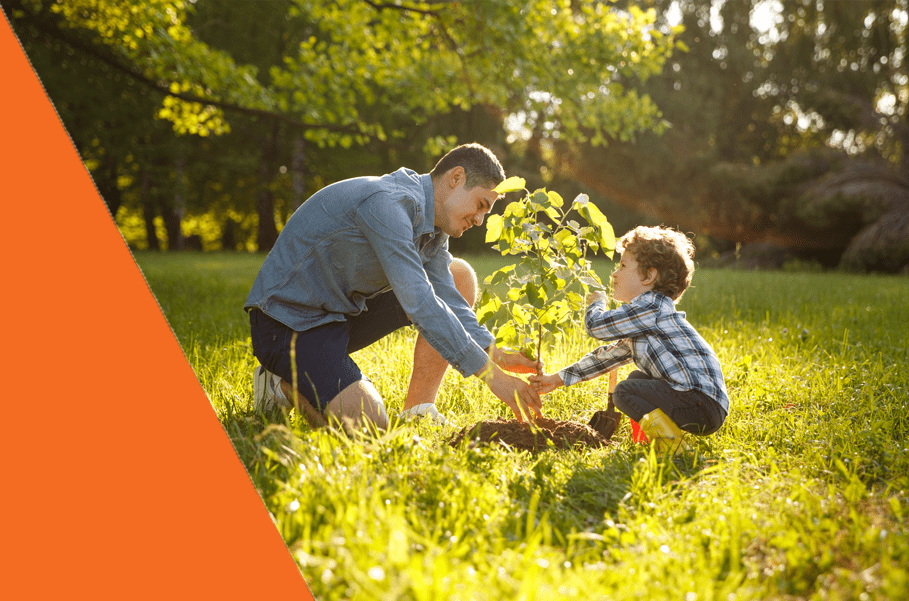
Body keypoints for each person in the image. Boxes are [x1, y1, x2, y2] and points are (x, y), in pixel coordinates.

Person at [245, 143, 542, 431]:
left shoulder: (434, 228)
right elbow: (421, 303)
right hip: (287, 325)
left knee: (458, 275)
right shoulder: (388, 204)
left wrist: (493, 352)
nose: (479, 220)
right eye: (481, 205)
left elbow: (447, 297)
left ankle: (418, 410)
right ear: (456, 178)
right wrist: (493, 378)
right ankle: (278, 386)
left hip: (339, 315)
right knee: (369, 426)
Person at [529, 226, 729, 450]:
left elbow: (596, 327)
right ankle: (648, 440)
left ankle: (672, 446)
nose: (614, 273)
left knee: (624, 391)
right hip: (705, 404)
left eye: (623, 266)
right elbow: (607, 358)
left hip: (698, 402)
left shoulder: (651, 306)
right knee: (637, 379)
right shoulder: (647, 318)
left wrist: (597, 304)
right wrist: (557, 379)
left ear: (649, 276)